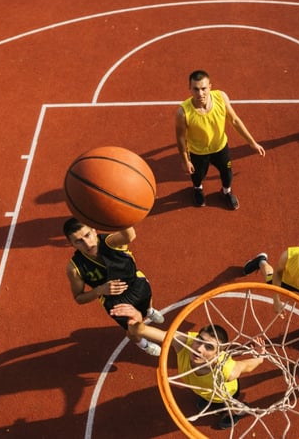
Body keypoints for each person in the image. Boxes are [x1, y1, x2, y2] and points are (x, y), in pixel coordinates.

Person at [109, 303, 266, 430]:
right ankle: (209, 401)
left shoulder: (227, 370)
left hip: (224, 394)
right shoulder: (185, 344)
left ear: (218, 355)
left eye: (209, 347)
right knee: (204, 396)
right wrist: (138, 322)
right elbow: (147, 331)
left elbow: (248, 365)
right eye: (199, 340)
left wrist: (260, 355)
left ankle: (238, 411)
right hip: (202, 389)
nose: (198, 348)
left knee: (229, 405)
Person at [63, 217, 165, 356]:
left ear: (94, 230)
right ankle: (143, 345)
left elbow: (130, 235)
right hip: (116, 303)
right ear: (71, 244)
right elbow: (79, 298)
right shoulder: (75, 268)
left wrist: (116, 214)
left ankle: (149, 311)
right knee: (133, 329)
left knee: (147, 303)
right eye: (78, 241)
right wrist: (99, 290)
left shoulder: (109, 242)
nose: (87, 244)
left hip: (137, 284)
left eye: (87, 235)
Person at [175, 69, 266, 210]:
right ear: (190, 89)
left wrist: (252, 143)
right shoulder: (183, 112)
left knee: (227, 174)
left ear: (210, 87)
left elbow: (234, 120)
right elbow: (180, 137)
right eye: (196, 89)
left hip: (220, 148)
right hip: (198, 152)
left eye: (204, 88)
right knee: (197, 176)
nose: (200, 94)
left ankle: (226, 192)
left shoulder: (221, 97)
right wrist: (185, 160)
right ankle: (198, 189)